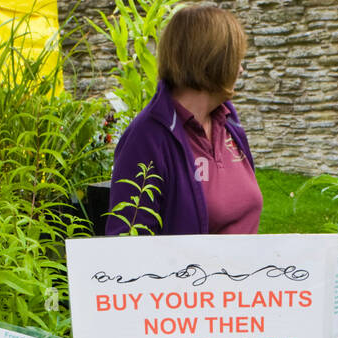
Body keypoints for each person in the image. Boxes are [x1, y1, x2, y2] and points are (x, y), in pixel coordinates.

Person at [105, 2, 260, 236]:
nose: (240, 70)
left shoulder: (228, 122)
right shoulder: (147, 140)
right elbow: (128, 243)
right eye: (235, 59)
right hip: (196, 273)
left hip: (248, 272)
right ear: (213, 60)